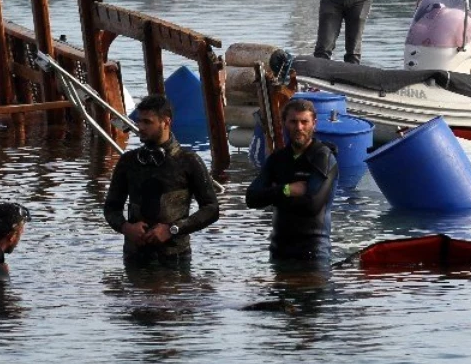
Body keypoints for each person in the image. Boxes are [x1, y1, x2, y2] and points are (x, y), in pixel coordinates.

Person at [103, 94, 219, 266]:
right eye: (139, 121)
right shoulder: (128, 161)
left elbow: (211, 209)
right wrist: (126, 228)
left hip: (175, 259)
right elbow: (111, 208)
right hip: (135, 258)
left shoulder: (188, 161)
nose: (140, 127)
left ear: (166, 122)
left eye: (147, 122)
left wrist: (172, 229)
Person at [245, 98, 337, 261]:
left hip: (313, 251)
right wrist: (286, 189)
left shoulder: (323, 157)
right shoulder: (277, 159)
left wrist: (272, 196)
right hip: (279, 249)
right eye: (293, 122)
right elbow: (251, 198)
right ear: (284, 123)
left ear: (314, 124)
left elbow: (312, 206)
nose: (299, 128)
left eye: (304, 122)